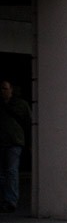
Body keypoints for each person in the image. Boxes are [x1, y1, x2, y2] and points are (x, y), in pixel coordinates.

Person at [1, 79, 31, 213]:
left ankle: (11, 200)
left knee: (12, 171)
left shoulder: (20, 104)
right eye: (1, 88)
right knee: (2, 173)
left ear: (11, 90)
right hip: (2, 141)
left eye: (5, 88)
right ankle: (4, 199)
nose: (3, 91)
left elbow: (29, 122)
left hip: (15, 142)